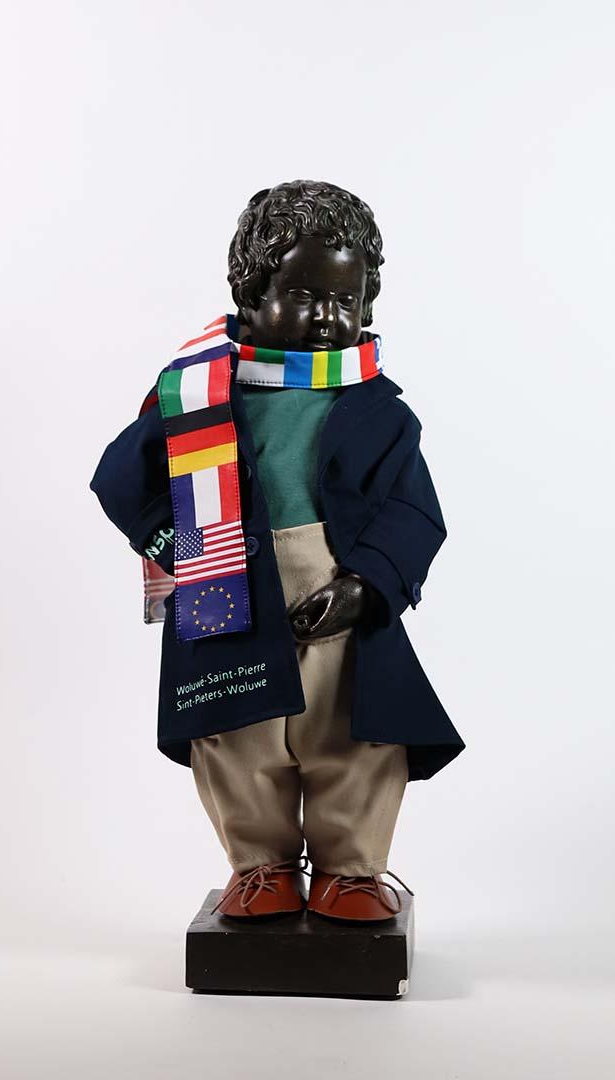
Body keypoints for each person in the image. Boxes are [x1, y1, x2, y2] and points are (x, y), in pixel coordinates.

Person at [90, 180, 465, 922]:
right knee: (235, 734)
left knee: (354, 735)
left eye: (345, 300)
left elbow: (414, 513)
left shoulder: (382, 413)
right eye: (303, 295)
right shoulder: (199, 396)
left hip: (343, 604)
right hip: (228, 591)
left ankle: (351, 870)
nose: (327, 317)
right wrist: (188, 550)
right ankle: (260, 866)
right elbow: (122, 480)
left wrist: (366, 586)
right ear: (251, 294)